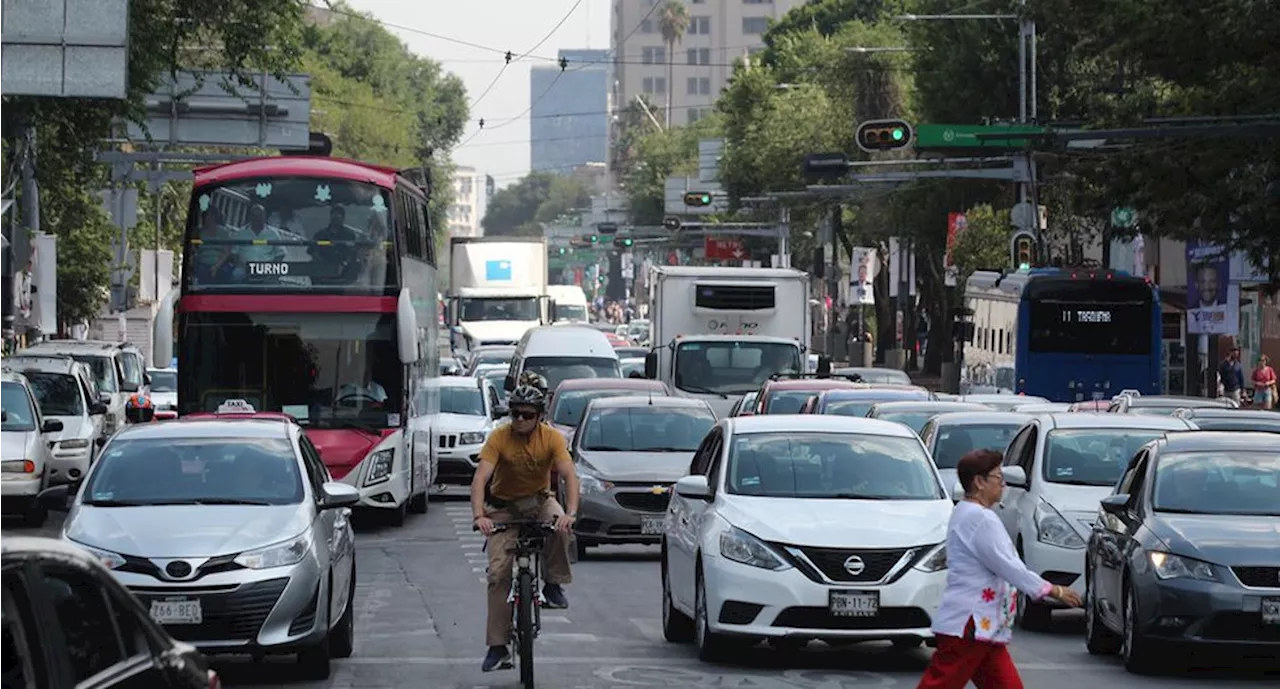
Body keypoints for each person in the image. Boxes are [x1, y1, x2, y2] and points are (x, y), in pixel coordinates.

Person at [916, 449, 1081, 689]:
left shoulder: (968, 513)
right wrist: (1051, 590)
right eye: (997, 477)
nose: (1002, 483)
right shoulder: (980, 518)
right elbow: (1008, 565)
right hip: (970, 622)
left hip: (984, 625)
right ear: (979, 482)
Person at [470, 378, 580, 672]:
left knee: (560, 526)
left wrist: (570, 512)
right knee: (498, 573)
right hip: (502, 508)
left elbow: (569, 475)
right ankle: (497, 646)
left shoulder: (553, 438)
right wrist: (479, 515)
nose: (520, 420)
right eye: (515, 413)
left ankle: (554, 584)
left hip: (539, 502)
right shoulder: (499, 438)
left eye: (527, 414)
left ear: (539, 417)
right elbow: (481, 477)